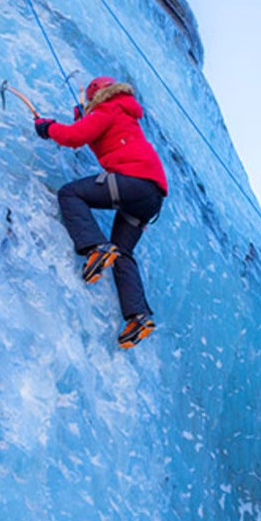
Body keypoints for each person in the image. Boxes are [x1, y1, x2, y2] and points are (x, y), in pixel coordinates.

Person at [34, 76, 167, 349]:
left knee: (70, 194)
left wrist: (47, 127)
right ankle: (138, 317)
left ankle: (95, 247)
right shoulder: (123, 112)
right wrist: (82, 116)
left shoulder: (109, 109)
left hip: (134, 182)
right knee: (123, 252)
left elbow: (74, 137)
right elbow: (93, 134)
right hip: (151, 197)